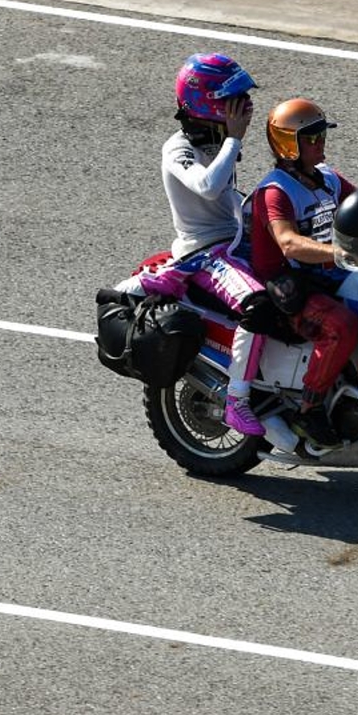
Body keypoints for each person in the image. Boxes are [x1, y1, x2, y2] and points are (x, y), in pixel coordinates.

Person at [246, 97, 358, 446]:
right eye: (310, 139)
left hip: (327, 274)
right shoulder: (274, 192)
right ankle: (308, 411)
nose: (320, 143)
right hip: (290, 286)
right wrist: (340, 253)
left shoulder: (326, 179)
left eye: (321, 136)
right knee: (340, 326)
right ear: (288, 145)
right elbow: (289, 244)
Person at [115, 52, 267, 436]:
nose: (245, 106)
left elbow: (228, 196)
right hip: (205, 254)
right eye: (234, 99)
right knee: (260, 307)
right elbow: (207, 186)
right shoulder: (179, 147)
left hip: (233, 244)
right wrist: (233, 139)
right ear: (208, 103)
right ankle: (237, 400)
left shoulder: (216, 140)